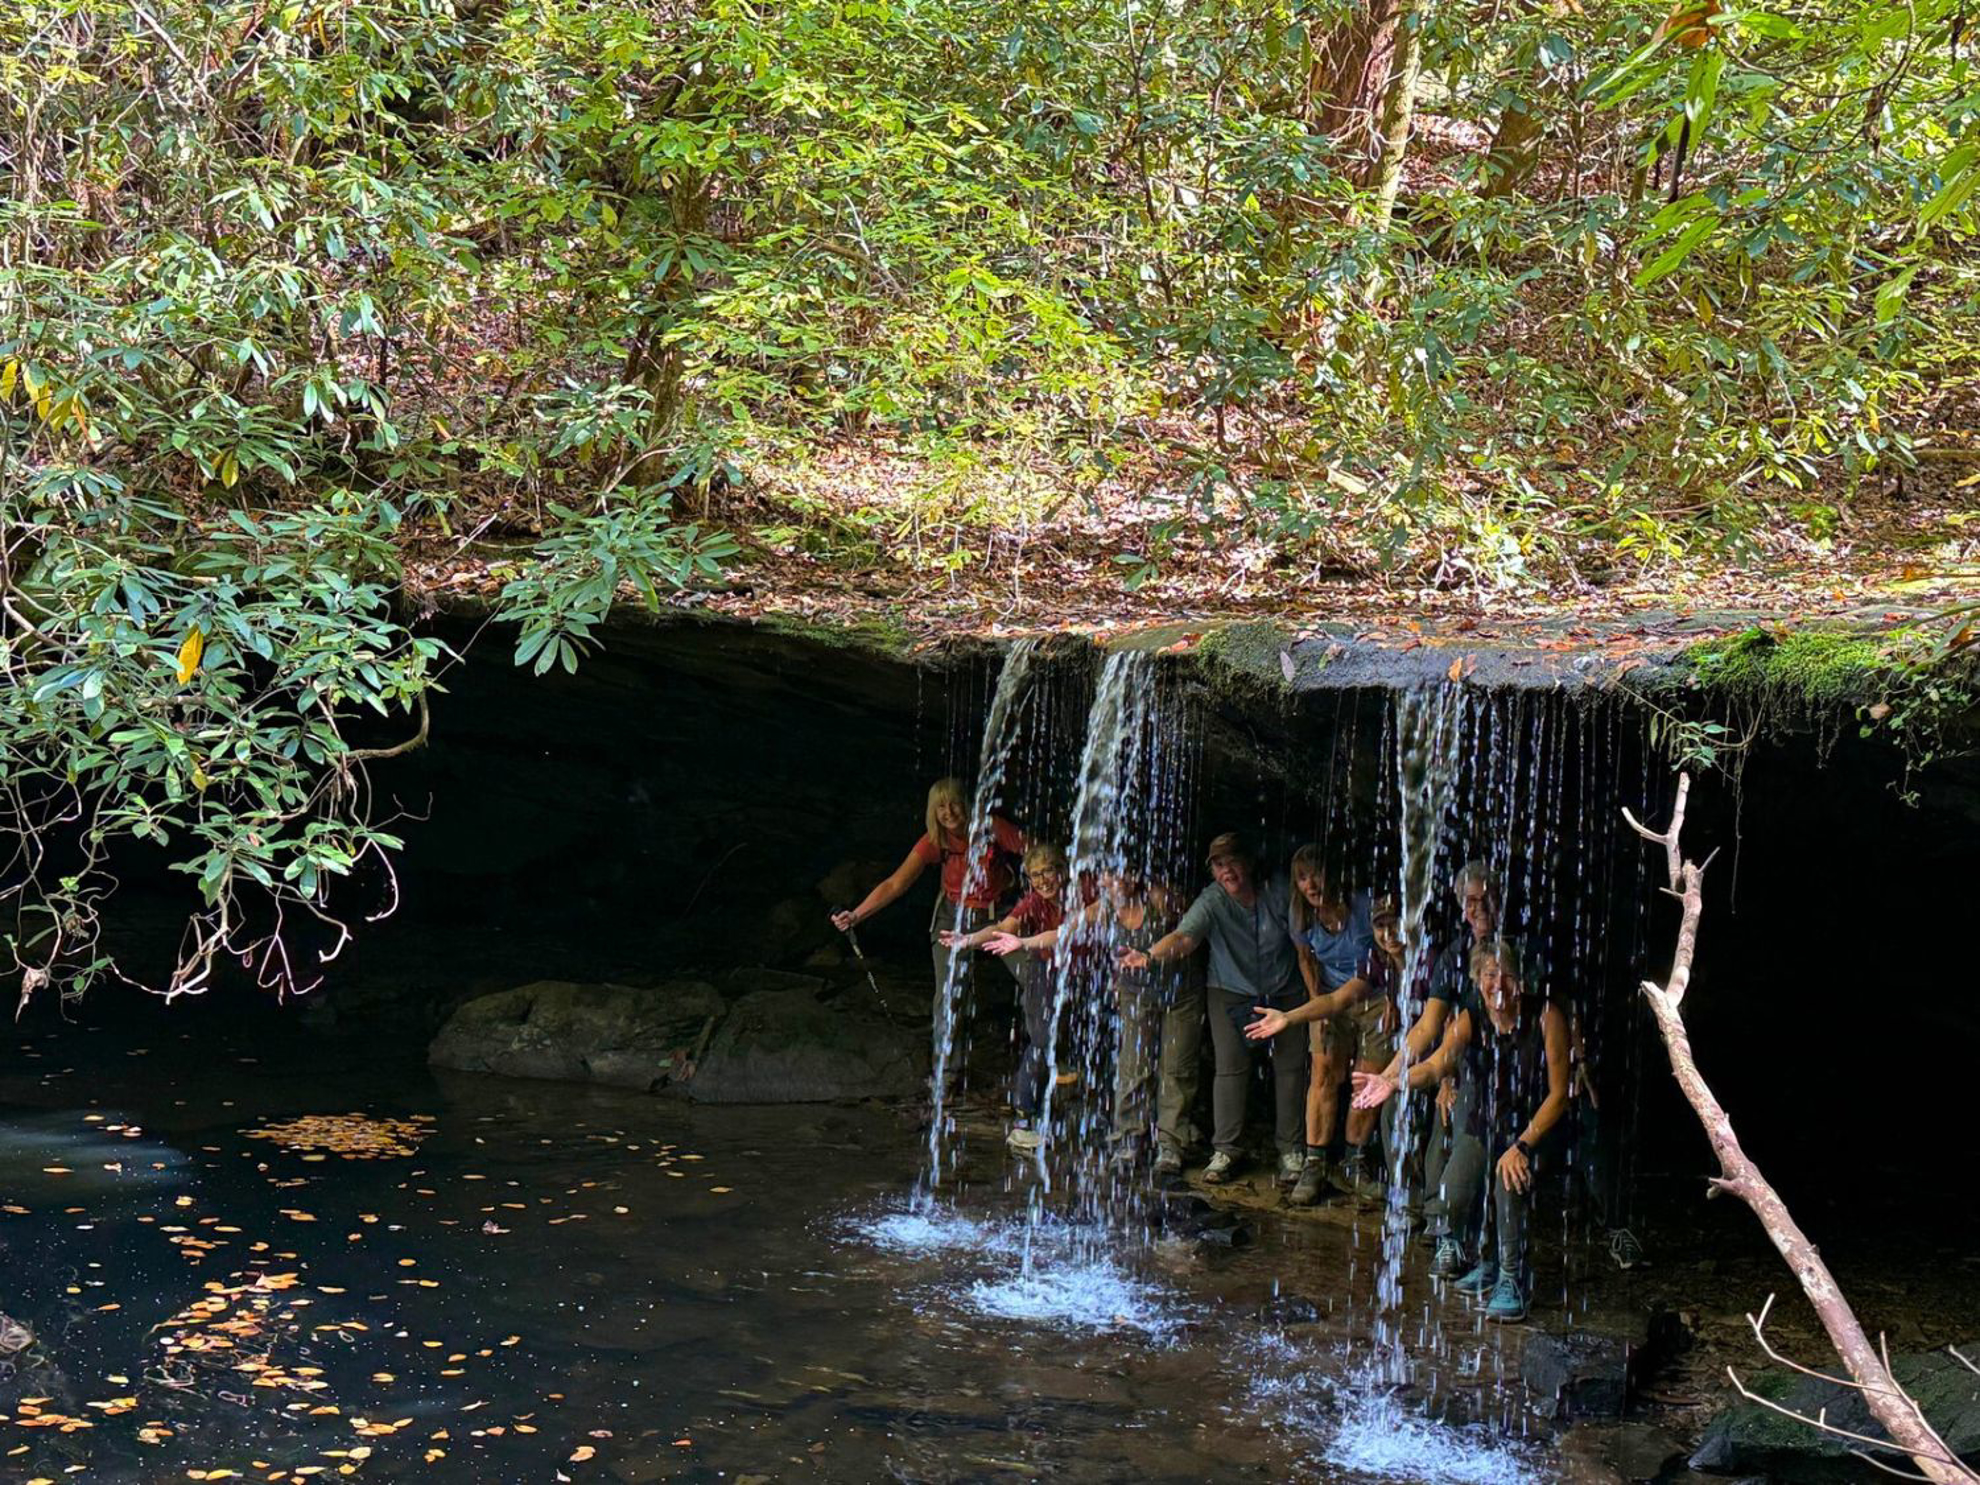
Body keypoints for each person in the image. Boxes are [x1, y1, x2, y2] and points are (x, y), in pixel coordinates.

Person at [1353, 937, 1569, 1323]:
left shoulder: (1546, 1016)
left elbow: (1558, 1096)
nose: (1497, 984)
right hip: (1486, 1125)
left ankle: (1512, 1277)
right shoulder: (1471, 1016)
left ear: (1520, 980)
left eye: (1506, 976)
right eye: (1489, 975)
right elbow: (1436, 1066)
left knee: (1508, 1177)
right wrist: (1394, 1080)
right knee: (1451, 1197)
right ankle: (1485, 1259)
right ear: (1476, 979)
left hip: (1535, 1131)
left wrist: (1522, 1144)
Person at [1118, 833, 1306, 1186]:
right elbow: (1186, 938)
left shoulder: (1278, 892)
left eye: (1233, 862)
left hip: (1285, 989)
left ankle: (1292, 1152)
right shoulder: (1213, 899)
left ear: (1248, 863)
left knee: (1291, 1069)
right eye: (1219, 866)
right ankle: (1226, 1150)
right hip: (1230, 990)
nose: (1227, 872)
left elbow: (1304, 944)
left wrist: (1315, 1000)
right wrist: (1149, 957)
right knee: (1230, 1070)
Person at [986, 869, 1182, 1169]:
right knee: (1131, 1064)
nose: (1111, 883)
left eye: (1119, 875)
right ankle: (1126, 1140)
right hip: (1128, 988)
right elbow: (1062, 933)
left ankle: (1169, 1144)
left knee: (1173, 1067)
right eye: (1106, 877)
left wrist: (1150, 957)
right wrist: (1021, 943)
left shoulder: (1156, 898)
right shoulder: (1098, 908)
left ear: (1134, 876)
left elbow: (1189, 931)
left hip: (1175, 988)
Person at [831, 779, 1026, 1035]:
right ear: (933, 812)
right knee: (948, 997)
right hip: (952, 918)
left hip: (997, 915)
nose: (949, 812)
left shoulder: (991, 827)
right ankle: (946, 1070)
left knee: (1035, 979)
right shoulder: (935, 840)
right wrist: (856, 915)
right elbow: (895, 883)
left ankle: (1047, 1053)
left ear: (965, 804)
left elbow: (1037, 853)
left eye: (954, 803)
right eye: (941, 807)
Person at [1368, 860, 1503, 1223]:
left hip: (1490, 1066)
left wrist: (1449, 1078)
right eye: (1470, 901)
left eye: (1485, 899)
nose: (1478, 908)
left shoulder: (1512, 950)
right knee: (1395, 1105)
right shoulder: (1454, 955)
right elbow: (1427, 1027)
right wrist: (1388, 1076)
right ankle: (1408, 1200)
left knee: (1452, 1115)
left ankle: (1443, 1221)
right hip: (1444, 1061)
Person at [1249, 892, 1400, 1207]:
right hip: (1340, 997)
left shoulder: (1427, 958)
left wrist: (1395, 1001)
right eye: (1381, 926)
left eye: (1395, 925)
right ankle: (1315, 1164)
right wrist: (1289, 1018)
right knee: (1325, 1072)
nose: (1390, 934)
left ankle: (1355, 1162)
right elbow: (1337, 1000)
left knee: (1370, 1077)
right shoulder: (1374, 961)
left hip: (1413, 1037)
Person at [943, 843, 1067, 1151]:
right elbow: (1002, 927)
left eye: (1048, 871)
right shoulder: (1033, 902)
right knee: (1041, 1040)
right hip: (1046, 968)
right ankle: (1024, 1119)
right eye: (1035, 875)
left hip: (1085, 971)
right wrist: (968, 939)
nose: (1043, 880)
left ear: (1061, 871)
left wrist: (1022, 942)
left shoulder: (1081, 894)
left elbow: (1068, 933)